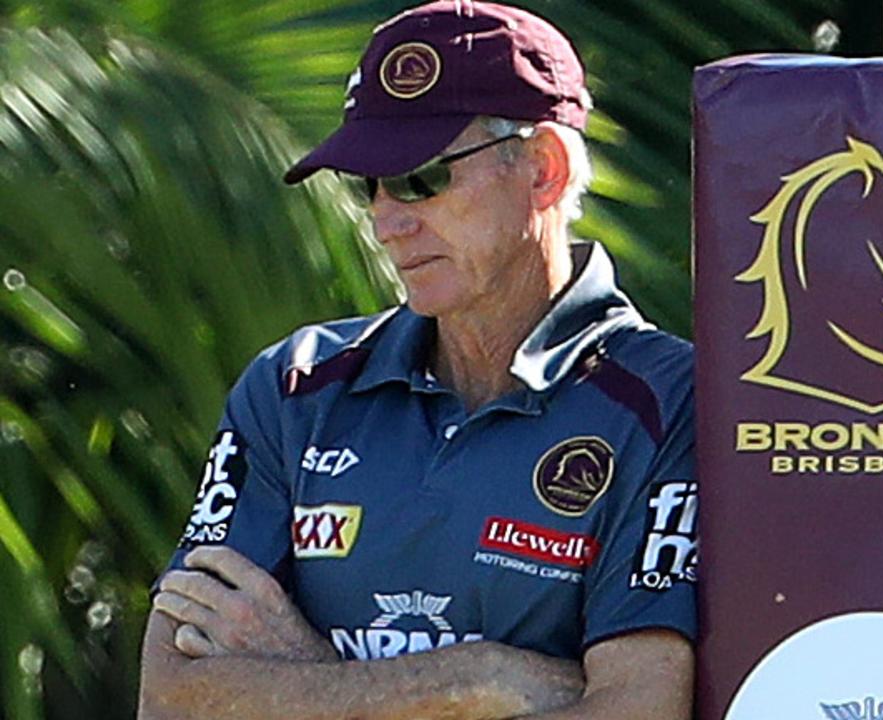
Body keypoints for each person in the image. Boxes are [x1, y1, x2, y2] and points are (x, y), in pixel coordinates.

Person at [136, 2, 696, 718]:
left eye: (420, 177)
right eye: (365, 183)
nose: (385, 220)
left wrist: (304, 677)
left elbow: (637, 711)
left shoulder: (671, 402)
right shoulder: (294, 385)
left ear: (544, 170)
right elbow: (171, 699)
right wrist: (476, 681)